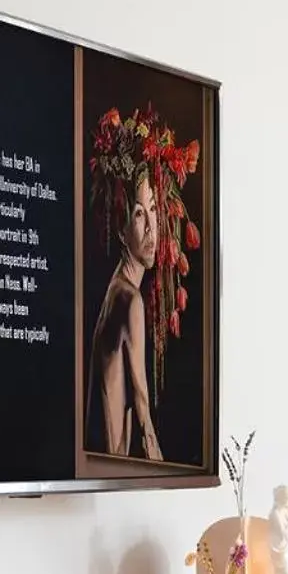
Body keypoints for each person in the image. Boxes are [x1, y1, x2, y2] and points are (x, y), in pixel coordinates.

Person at [86, 171, 164, 461]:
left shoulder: (117, 290)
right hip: (112, 467)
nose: (150, 230)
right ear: (121, 229)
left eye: (153, 209)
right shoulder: (129, 300)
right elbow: (145, 422)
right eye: (139, 214)